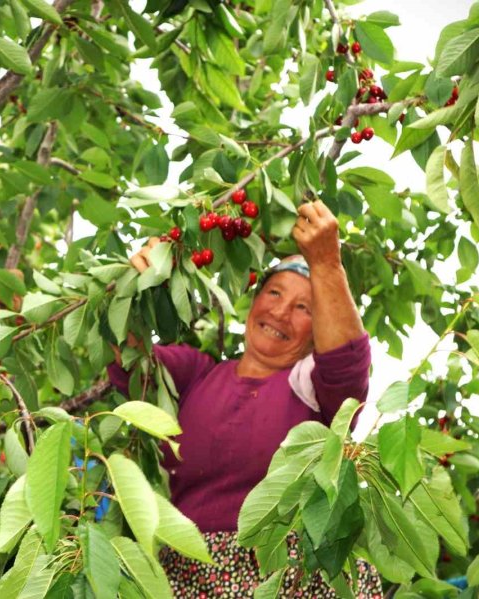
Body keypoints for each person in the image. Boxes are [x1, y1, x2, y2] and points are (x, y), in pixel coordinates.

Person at [110, 200, 382, 598]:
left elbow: (346, 364)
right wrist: (135, 285)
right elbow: (131, 361)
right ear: (254, 300)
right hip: (188, 576)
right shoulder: (197, 375)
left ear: (318, 329)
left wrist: (326, 264)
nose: (282, 311)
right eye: (274, 292)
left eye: (305, 307)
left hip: (286, 578)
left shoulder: (310, 388)